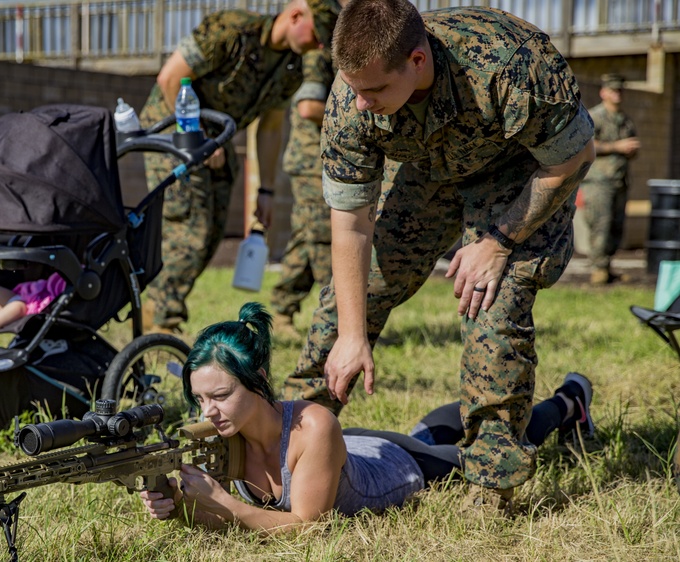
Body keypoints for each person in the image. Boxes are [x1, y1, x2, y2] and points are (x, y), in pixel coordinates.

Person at [280, 0, 596, 510]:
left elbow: (576, 156)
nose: (360, 103)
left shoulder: (510, 65)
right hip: (427, 168)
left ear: (418, 60)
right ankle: (291, 441)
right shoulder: (351, 97)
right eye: (354, 89)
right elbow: (351, 225)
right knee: (348, 299)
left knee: (493, 304)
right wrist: (353, 334)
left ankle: (493, 482)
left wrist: (498, 241)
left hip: (522, 173)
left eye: (375, 90)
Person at [139, 303, 594, 531]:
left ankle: (569, 401)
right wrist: (180, 505)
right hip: (349, 449)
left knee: (484, 451)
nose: (207, 411)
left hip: (395, 468)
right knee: (422, 431)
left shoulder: (313, 425)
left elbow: (307, 529)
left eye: (219, 395)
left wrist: (227, 505)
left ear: (257, 378)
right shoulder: (222, 433)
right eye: (200, 400)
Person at [139, 0, 342, 335]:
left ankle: (156, 308)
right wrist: (196, 136)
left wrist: (266, 191)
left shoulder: (292, 67)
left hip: (215, 141)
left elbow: (271, 128)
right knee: (192, 224)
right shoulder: (231, 29)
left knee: (214, 228)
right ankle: (162, 321)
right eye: (319, 35)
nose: (319, 46)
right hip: (173, 130)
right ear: (295, 15)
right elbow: (170, 78)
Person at [270, 47, 336, 339]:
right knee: (323, 237)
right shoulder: (317, 57)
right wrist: (355, 109)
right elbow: (309, 106)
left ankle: (281, 312)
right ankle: (336, 318)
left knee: (305, 237)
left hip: (317, 160)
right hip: (313, 162)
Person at [580, 73, 640, 285]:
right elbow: (585, 145)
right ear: (603, 92)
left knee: (616, 225)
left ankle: (608, 266)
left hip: (619, 179)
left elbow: (630, 147)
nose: (618, 94)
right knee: (600, 224)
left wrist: (630, 150)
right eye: (613, 90)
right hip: (598, 181)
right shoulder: (594, 116)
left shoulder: (624, 119)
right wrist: (617, 147)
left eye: (620, 90)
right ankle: (598, 269)